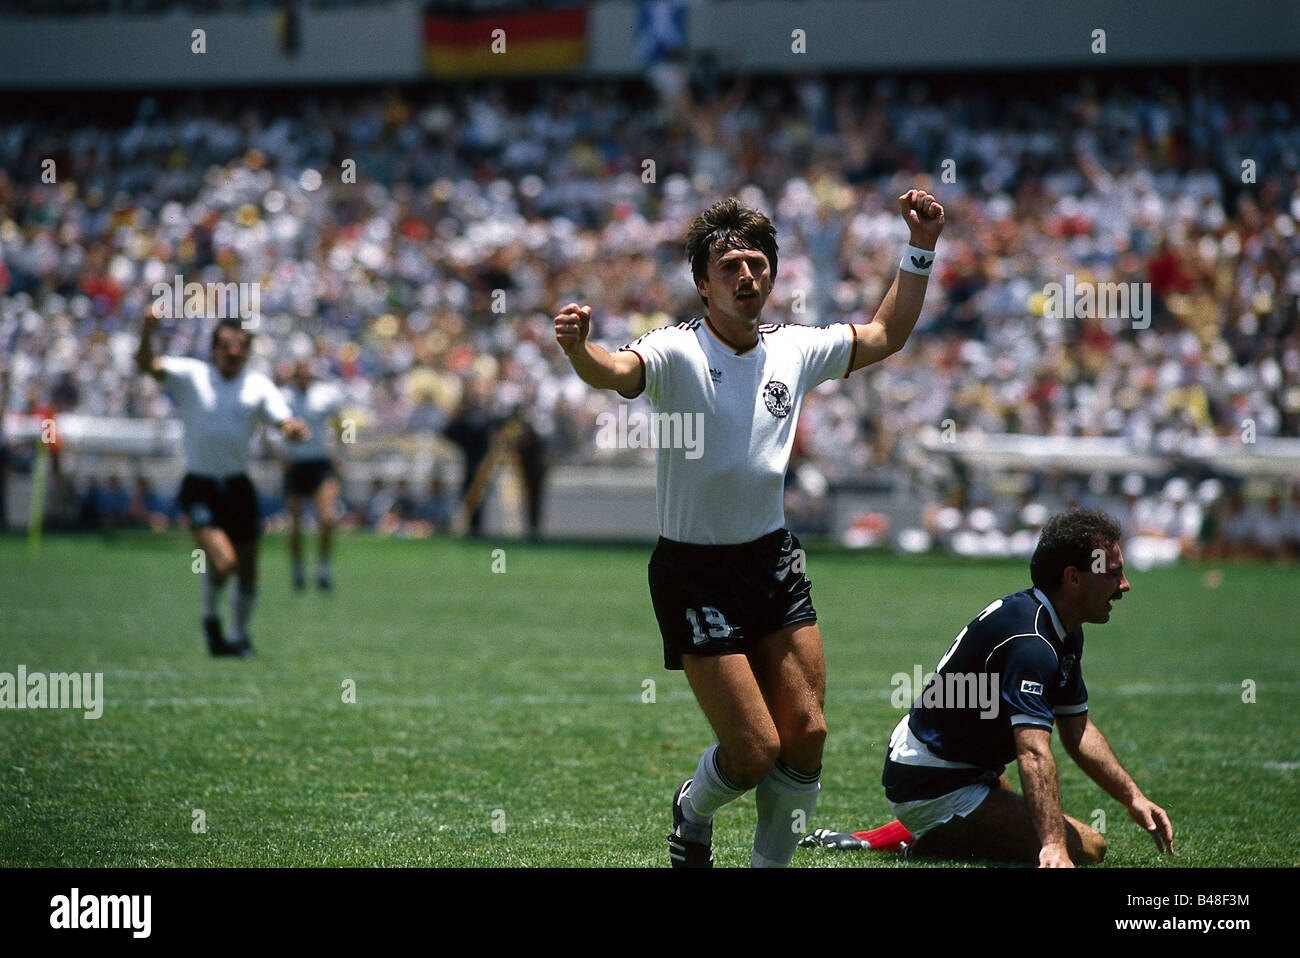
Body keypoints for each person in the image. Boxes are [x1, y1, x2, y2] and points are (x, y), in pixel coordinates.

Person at [555, 191, 944, 867]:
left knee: (808, 732)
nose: (747, 276)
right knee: (755, 750)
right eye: (730, 265)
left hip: (771, 563)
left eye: (757, 263)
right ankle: (693, 808)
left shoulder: (794, 348)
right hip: (693, 572)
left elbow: (887, 335)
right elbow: (616, 373)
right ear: (703, 284)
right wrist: (579, 348)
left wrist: (921, 247)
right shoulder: (676, 350)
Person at [803, 509, 1175, 867]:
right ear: (1073, 578)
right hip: (934, 779)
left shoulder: (1059, 625)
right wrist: (1053, 847)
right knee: (1091, 846)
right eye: (1112, 574)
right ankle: (926, 838)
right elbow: (1032, 751)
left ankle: (883, 837)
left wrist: (1132, 797)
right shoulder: (1033, 642)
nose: (1124, 585)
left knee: (1015, 811)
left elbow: (1077, 729)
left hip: (947, 764)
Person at [137, 315, 309, 657]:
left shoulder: (257, 386)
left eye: (242, 346)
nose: (234, 351)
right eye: (227, 344)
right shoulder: (192, 375)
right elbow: (146, 365)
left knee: (247, 571)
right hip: (200, 486)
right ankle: (211, 620)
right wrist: (148, 329)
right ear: (214, 349)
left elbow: (282, 419)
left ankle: (239, 636)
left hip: (238, 487)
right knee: (222, 562)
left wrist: (292, 430)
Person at [280, 360, 345, 592]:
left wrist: (343, 453)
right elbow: (269, 430)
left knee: (328, 517)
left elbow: (342, 424)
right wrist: (279, 455)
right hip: (295, 465)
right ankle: (297, 569)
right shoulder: (284, 397)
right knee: (295, 522)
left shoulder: (326, 396)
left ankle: (323, 568)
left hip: (320, 463)